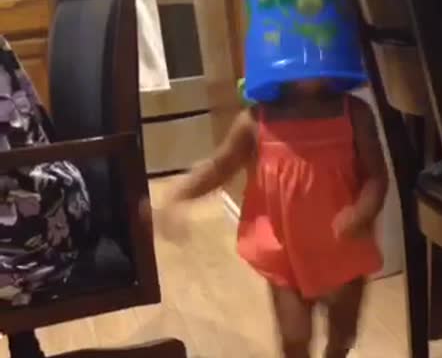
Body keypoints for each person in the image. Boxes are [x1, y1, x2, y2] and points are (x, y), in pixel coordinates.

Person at [145, 79, 387, 358]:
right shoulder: (254, 120)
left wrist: (361, 213)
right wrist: (179, 194)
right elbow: (219, 167)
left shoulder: (356, 113)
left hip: (346, 250)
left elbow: (376, 176)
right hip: (286, 255)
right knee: (294, 337)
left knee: (344, 333)